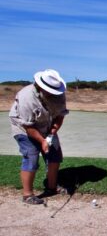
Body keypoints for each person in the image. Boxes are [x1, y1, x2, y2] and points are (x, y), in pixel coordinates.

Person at [9, 69, 69, 204]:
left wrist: (52, 132)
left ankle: (52, 188)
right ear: (39, 86)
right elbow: (28, 126)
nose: (53, 93)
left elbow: (60, 116)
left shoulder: (60, 95)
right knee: (31, 157)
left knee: (55, 156)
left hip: (47, 127)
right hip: (23, 128)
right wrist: (42, 141)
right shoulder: (26, 97)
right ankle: (27, 195)